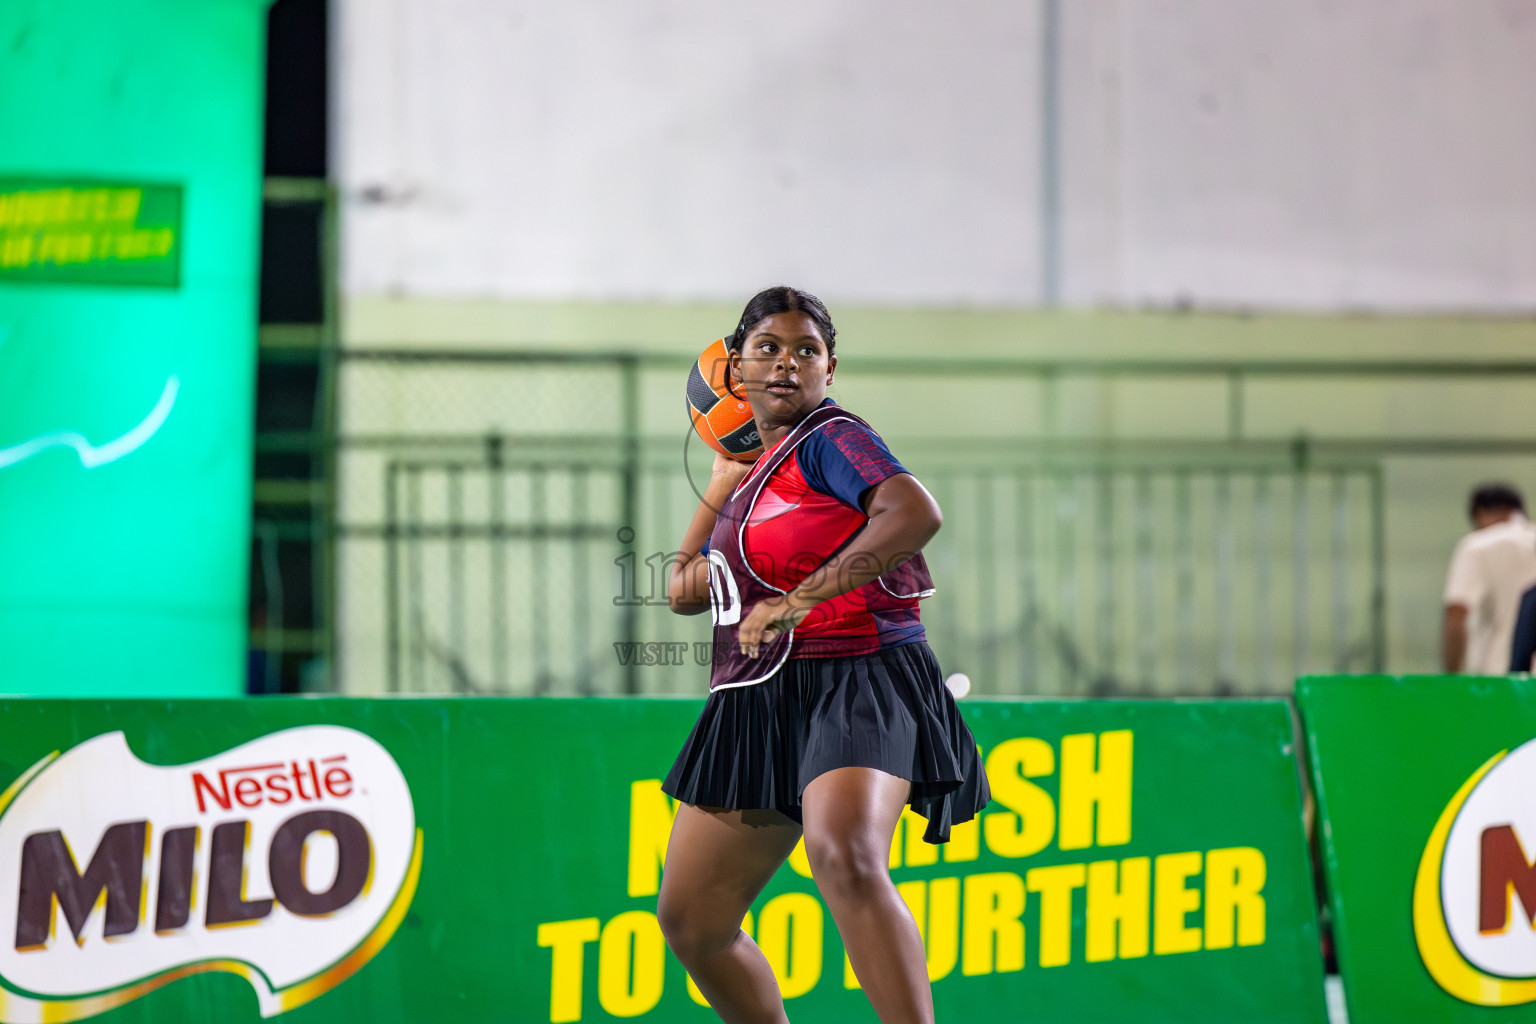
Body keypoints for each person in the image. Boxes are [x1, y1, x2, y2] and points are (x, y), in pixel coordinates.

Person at [659, 286, 989, 1024]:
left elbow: (913, 511)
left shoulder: (833, 438)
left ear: (828, 368)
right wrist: (717, 487)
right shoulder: (749, 477)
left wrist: (799, 598)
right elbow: (682, 591)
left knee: (842, 853)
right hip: (759, 697)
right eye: (766, 349)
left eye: (805, 351)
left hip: (860, 677)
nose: (786, 364)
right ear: (734, 370)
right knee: (691, 919)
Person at [1441, 483, 1536, 675]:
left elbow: (1456, 616)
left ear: (1479, 514)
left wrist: (1452, 677)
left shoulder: (1476, 546)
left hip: (1499, 681)